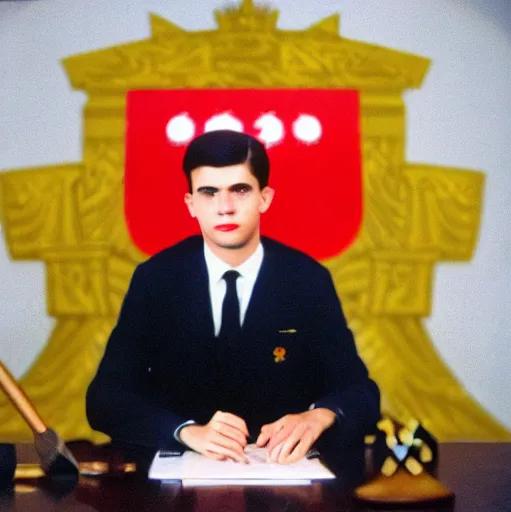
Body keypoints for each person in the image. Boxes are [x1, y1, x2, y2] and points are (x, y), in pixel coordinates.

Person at [86, 129, 380, 467]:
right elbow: (105, 397)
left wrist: (320, 416)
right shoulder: (156, 279)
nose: (225, 208)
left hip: (284, 484)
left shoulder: (307, 279)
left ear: (264, 198)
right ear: (191, 204)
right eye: (208, 192)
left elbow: (362, 393)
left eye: (239, 190)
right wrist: (185, 431)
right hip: (180, 484)